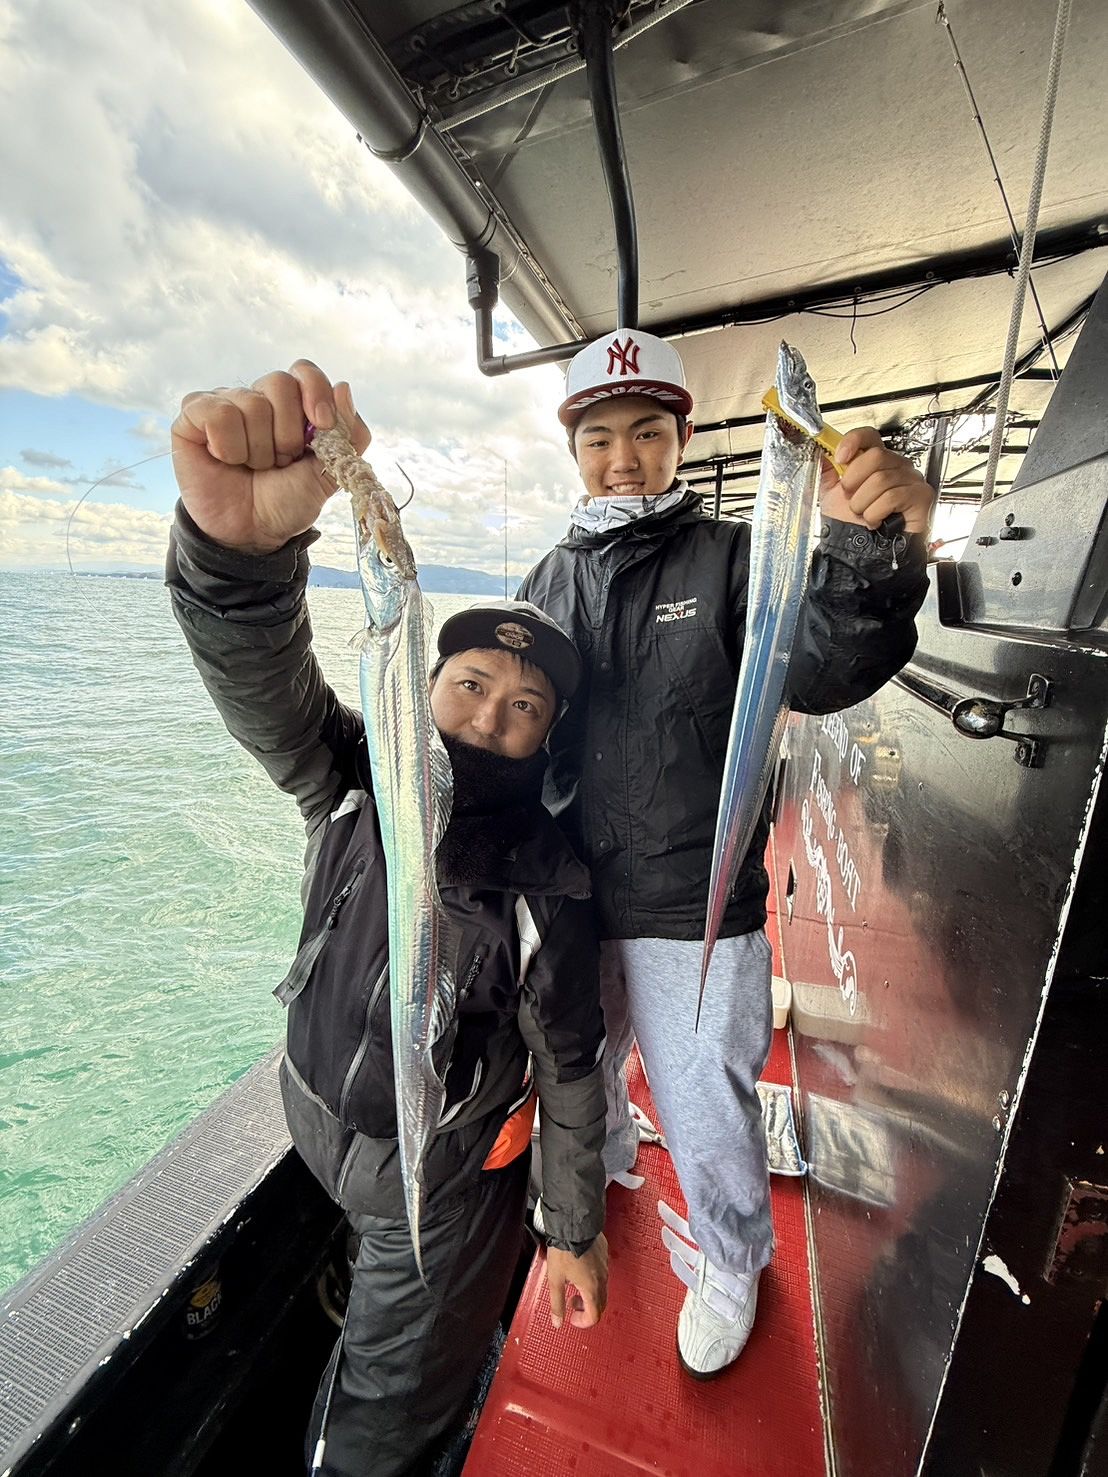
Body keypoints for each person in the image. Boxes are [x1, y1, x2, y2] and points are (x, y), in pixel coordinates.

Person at [165, 363, 609, 1477]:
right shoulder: (353, 775)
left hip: (442, 1181)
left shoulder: (547, 879)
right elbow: (265, 683)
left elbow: (567, 1067)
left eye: (524, 706)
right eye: (469, 683)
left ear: (546, 738)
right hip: (311, 1116)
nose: (490, 715)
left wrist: (570, 1227)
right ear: (422, 682)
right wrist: (235, 561)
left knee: (383, 1426)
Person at [518, 328, 935, 1379]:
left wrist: (870, 559)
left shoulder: (736, 556)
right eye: (600, 439)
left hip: (691, 898)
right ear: (572, 450)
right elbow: (519, 733)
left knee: (706, 1102)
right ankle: (611, 1161)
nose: (623, 458)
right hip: (573, 894)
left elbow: (826, 665)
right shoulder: (546, 579)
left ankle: (734, 1259)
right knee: (584, 1063)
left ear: (682, 439)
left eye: (646, 434)